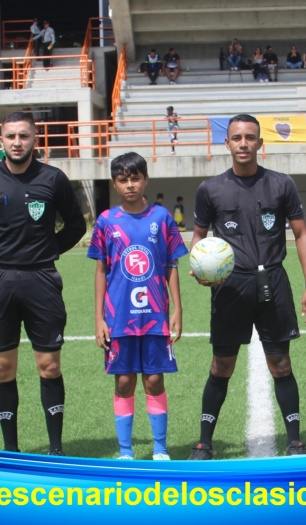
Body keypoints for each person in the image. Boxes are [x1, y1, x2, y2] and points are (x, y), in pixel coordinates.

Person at [187, 114, 306, 459]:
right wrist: (199, 267)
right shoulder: (210, 188)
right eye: (236, 137)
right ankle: (204, 442)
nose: (243, 143)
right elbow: (198, 237)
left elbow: (302, 233)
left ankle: (294, 441)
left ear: (261, 143)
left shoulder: (281, 184)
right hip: (230, 287)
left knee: (281, 364)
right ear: (226, 143)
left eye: (249, 137)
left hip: (273, 281)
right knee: (221, 366)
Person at [0, 111, 86, 455]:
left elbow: (76, 225)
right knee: (2, 367)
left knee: (50, 365)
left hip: (41, 279)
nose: (17, 142)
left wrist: (47, 250)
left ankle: (56, 449)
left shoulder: (53, 179)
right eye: (11, 136)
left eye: (24, 136)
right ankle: (10, 449)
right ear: (1, 141)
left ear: (35, 140)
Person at [88, 152, 188, 461]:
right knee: (124, 380)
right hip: (120, 318)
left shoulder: (161, 217)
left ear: (145, 179)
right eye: (123, 180)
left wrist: (177, 310)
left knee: (155, 378)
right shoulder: (106, 221)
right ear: (115, 184)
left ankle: (160, 448)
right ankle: (126, 451)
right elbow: (101, 270)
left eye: (135, 178)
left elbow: (171, 264)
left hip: (155, 315)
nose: (130, 185)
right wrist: (98, 318)